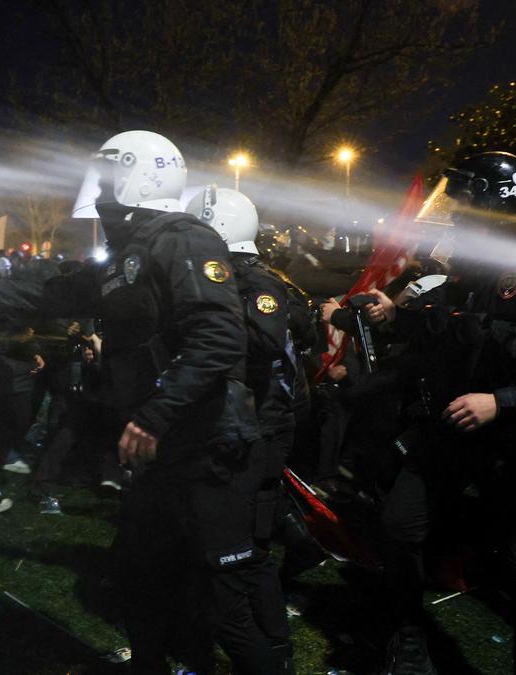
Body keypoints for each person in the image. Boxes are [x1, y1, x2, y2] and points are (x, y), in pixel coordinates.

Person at [0, 130, 278, 674]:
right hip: (160, 453)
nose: (103, 188)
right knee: (141, 585)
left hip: (207, 448)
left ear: (142, 176)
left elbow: (219, 337)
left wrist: (154, 414)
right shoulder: (129, 255)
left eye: (112, 174)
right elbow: (50, 294)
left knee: (224, 605)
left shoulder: (183, 238)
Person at [374, 152, 516, 675]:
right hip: (455, 430)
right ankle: (409, 638)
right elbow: (460, 325)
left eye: (464, 197)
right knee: (398, 526)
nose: (454, 209)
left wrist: (502, 402)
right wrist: (397, 314)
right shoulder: (480, 260)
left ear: (494, 201)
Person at [186, 185, 297, 672]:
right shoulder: (238, 278)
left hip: (259, 429)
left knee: (248, 552)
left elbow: (261, 345)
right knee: (244, 550)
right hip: (250, 425)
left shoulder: (257, 283)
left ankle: (274, 652)